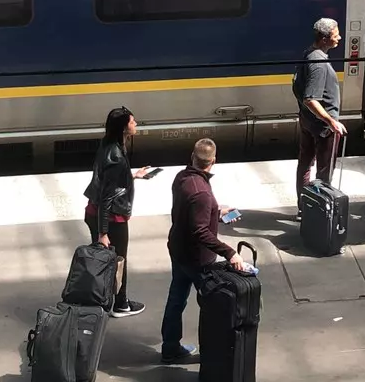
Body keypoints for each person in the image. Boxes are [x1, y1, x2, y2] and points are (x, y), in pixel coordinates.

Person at [163, 138, 245, 363]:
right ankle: (213, 350)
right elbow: (200, 231)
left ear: (193, 156)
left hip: (177, 249)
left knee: (176, 299)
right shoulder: (202, 192)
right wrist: (230, 252)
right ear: (213, 161)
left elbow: (190, 213)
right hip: (197, 259)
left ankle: (170, 347)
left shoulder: (182, 177)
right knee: (213, 305)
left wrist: (216, 212)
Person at [84, 106, 154, 317]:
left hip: (96, 212)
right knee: (119, 260)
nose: (136, 125)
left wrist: (131, 176)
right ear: (124, 128)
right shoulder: (116, 155)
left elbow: (109, 182)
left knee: (107, 260)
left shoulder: (109, 145)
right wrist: (103, 233)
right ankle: (120, 304)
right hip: (110, 217)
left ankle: (103, 300)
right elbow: (107, 197)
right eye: (133, 122)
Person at [294, 17, 346, 202]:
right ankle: (318, 207)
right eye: (336, 34)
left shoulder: (310, 54)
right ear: (324, 39)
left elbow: (297, 88)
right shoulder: (318, 63)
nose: (340, 37)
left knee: (305, 164)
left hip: (309, 121)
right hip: (322, 127)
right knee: (324, 171)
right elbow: (310, 99)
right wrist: (331, 121)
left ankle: (304, 205)